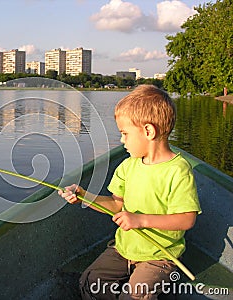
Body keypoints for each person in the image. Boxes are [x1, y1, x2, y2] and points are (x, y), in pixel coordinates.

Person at [58, 85, 201, 299]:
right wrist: (83, 196)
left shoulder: (178, 171)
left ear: (148, 131)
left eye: (125, 134)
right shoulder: (128, 166)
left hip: (160, 255)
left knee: (137, 294)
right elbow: (116, 204)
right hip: (124, 249)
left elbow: (186, 219)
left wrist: (140, 220)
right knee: (90, 282)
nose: (122, 141)